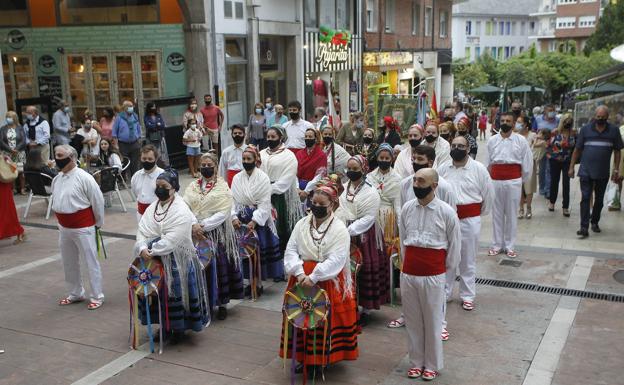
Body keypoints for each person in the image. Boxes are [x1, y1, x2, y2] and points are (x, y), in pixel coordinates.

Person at [279, 179, 358, 377]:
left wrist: (314, 277)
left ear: (333, 205)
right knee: (300, 316)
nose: (316, 207)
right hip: (300, 279)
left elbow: (338, 258)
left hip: (326, 281)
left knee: (321, 320)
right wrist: (298, 273)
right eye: (314, 203)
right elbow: (291, 250)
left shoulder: (340, 229)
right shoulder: (301, 224)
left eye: (322, 205)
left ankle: (320, 359)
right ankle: (302, 356)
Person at [135, 168, 210, 342]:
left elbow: (174, 238)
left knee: (176, 292)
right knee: (158, 293)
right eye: (158, 185)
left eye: (164, 186)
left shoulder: (181, 209)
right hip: (153, 259)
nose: (160, 189)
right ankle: (164, 325)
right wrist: (141, 247)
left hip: (176, 260)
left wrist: (152, 250)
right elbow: (142, 229)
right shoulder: (152, 208)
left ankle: (179, 328)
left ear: (174, 188)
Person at [399, 168, 460, 381]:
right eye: (415, 180)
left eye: (421, 181)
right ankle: (416, 362)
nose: (416, 184)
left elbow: (454, 247)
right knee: (413, 320)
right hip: (409, 272)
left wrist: (444, 272)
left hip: (434, 274)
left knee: (433, 320)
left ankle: (432, 364)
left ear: (434, 185)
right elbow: (403, 241)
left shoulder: (446, 212)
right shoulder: (407, 208)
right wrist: (406, 267)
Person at [184, 152, 243, 320]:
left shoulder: (223, 187)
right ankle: (203, 301)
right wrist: (194, 224)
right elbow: (185, 206)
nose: (206, 168)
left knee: (219, 266)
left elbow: (224, 212)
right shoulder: (193, 186)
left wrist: (204, 226)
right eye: (203, 165)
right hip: (195, 232)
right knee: (199, 267)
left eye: (210, 165)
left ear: (216, 167)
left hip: (216, 233)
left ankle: (222, 303)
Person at [438, 136, 493, 314]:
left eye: (461, 146)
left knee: (467, 258)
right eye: (453, 145)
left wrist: (475, 214)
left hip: (470, 219)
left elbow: (488, 196)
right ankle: (445, 292)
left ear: (468, 149)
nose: (456, 148)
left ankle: (467, 295)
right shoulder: (442, 169)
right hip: (447, 220)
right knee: (446, 256)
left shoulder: (479, 169)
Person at [51, 145, 105, 310]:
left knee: (91, 261)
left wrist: (97, 223)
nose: (57, 159)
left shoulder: (84, 178)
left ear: (72, 157)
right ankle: (76, 292)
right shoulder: (57, 179)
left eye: (61, 156)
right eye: (56, 155)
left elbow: (97, 201)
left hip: (83, 226)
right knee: (68, 261)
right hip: (64, 227)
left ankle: (97, 295)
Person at [335, 155, 386, 326]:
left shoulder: (371, 192)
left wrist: (348, 231)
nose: (351, 172)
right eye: (349, 168)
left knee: (362, 268)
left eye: (355, 169)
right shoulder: (343, 188)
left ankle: (365, 308)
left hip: (363, 235)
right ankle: (347, 303)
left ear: (364, 170)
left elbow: (368, 218)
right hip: (344, 232)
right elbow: (338, 208)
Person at [569, 106, 623, 238]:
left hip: (603, 172)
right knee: (586, 198)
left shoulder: (614, 131)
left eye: (603, 117)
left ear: (607, 117)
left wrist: (616, 169)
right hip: (586, 171)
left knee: (599, 200)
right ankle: (583, 227)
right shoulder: (586, 130)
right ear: (595, 116)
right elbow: (577, 149)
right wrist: (571, 167)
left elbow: (617, 151)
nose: (600, 119)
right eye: (598, 117)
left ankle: (594, 221)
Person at [231, 146, 281, 283]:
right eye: (244, 159)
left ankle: (257, 284)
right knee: (243, 253)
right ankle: (247, 283)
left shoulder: (263, 178)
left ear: (255, 160)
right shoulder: (236, 178)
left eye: (249, 159)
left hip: (257, 223)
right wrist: (233, 217)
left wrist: (254, 221)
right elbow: (232, 200)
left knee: (257, 253)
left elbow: (265, 203)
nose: (246, 161)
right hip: (240, 222)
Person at [486, 112, 533, 258]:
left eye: (508, 121)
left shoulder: (521, 140)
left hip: (514, 181)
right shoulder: (492, 140)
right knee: (497, 214)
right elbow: (487, 164)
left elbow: (527, 164)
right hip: (495, 180)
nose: (505, 122)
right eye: (502, 120)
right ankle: (496, 245)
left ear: (513, 124)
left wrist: (520, 180)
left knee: (512, 214)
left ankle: (510, 246)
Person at [260, 126, 303, 265]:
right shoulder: (261, 153)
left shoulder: (289, 155)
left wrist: (269, 189)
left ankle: (284, 264)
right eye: (268, 137)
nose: (270, 139)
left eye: (273, 137)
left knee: (281, 228)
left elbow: (287, 179)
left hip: (281, 197)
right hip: (263, 195)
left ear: (281, 138)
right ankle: (270, 263)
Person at [367, 144, 402, 265]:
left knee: (388, 248)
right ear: (377, 158)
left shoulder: (398, 179)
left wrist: (400, 226)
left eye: (387, 158)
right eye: (381, 158)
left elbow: (398, 204)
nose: (384, 160)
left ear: (392, 159)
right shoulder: (369, 177)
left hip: (389, 218)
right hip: (373, 216)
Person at [547, 114, 576, 217]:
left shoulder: (573, 133)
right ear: (562, 122)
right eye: (566, 121)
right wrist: (550, 156)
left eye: (570, 122)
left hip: (567, 161)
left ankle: (565, 207)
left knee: (566, 183)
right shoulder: (555, 132)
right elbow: (548, 145)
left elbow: (575, 149)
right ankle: (552, 202)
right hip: (555, 160)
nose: (567, 124)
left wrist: (573, 164)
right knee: (554, 181)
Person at [533, 104, 559, 199]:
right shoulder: (538, 119)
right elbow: (534, 131)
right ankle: (542, 188)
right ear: (545, 111)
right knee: (542, 169)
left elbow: (559, 131)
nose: (552, 112)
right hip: (541, 147)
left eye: (553, 110)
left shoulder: (557, 120)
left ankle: (548, 190)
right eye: (550, 110)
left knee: (549, 169)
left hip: (552, 148)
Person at [131, 145, 164, 220]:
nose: (147, 161)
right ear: (140, 158)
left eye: (150, 159)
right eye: (144, 158)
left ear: (156, 159)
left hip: (158, 216)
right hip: (141, 216)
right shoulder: (136, 176)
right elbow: (136, 193)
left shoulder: (163, 175)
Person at [517, 116, 539, 219]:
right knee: (519, 188)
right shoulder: (515, 136)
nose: (517, 124)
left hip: (530, 164)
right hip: (517, 165)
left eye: (519, 122)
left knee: (529, 188)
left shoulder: (533, 135)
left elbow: (538, 146)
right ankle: (521, 208)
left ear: (525, 124)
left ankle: (529, 208)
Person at [112, 100, 141, 176]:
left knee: (135, 162)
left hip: (134, 143)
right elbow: (114, 132)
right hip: (123, 144)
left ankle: (134, 177)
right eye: (130, 106)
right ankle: (124, 178)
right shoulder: (119, 118)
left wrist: (139, 137)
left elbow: (138, 128)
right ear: (125, 108)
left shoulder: (135, 116)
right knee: (125, 162)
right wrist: (116, 145)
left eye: (132, 106)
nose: (132, 108)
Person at [1, 111, 27, 194]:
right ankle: (13, 189)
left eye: (10, 117)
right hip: (7, 153)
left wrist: (16, 149)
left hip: (19, 153)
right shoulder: (3, 128)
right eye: (7, 117)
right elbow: (1, 141)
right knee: (10, 171)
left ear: (15, 118)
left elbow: (23, 140)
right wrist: (10, 149)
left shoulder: (20, 128)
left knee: (20, 171)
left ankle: (23, 188)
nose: (8, 119)